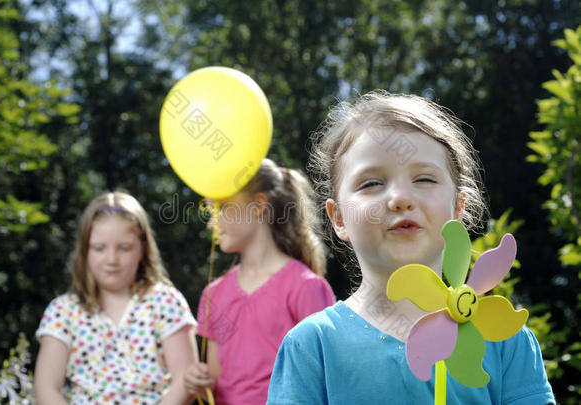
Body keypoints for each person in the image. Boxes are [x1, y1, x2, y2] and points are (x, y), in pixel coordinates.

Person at [266, 91, 555, 404]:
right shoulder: (311, 347)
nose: (400, 198)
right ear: (339, 219)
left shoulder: (504, 339)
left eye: (425, 179)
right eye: (371, 183)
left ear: (458, 208)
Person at [183, 158, 336, 405]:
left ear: (258, 205)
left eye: (221, 208)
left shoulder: (305, 286)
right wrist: (197, 382)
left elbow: (325, 378)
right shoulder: (213, 294)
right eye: (210, 211)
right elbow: (216, 381)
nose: (212, 223)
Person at [35, 191, 198, 405]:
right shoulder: (63, 312)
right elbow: (46, 388)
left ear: (142, 249)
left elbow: (185, 382)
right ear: (85, 251)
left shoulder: (165, 302)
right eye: (99, 248)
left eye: (124, 248)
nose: (112, 259)